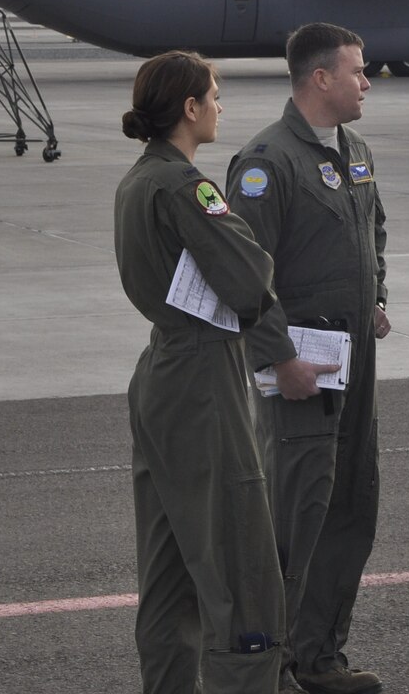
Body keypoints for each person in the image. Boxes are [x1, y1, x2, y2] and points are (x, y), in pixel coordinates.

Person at [114, 50, 287, 694]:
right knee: (237, 557)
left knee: (168, 568)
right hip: (201, 375)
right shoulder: (188, 186)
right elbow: (249, 279)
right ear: (190, 108)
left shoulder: (139, 178)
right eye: (214, 95)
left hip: (161, 370)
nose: (220, 106)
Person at [226, 24, 389, 694]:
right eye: (357, 70)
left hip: (353, 362)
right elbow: (240, 277)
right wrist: (279, 357)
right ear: (320, 78)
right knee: (294, 516)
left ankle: (321, 656)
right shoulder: (266, 163)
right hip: (299, 369)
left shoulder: (355, 150)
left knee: (351, 506)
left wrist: (376, 291)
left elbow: (374, 226)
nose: (366, 81)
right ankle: (272, 663)